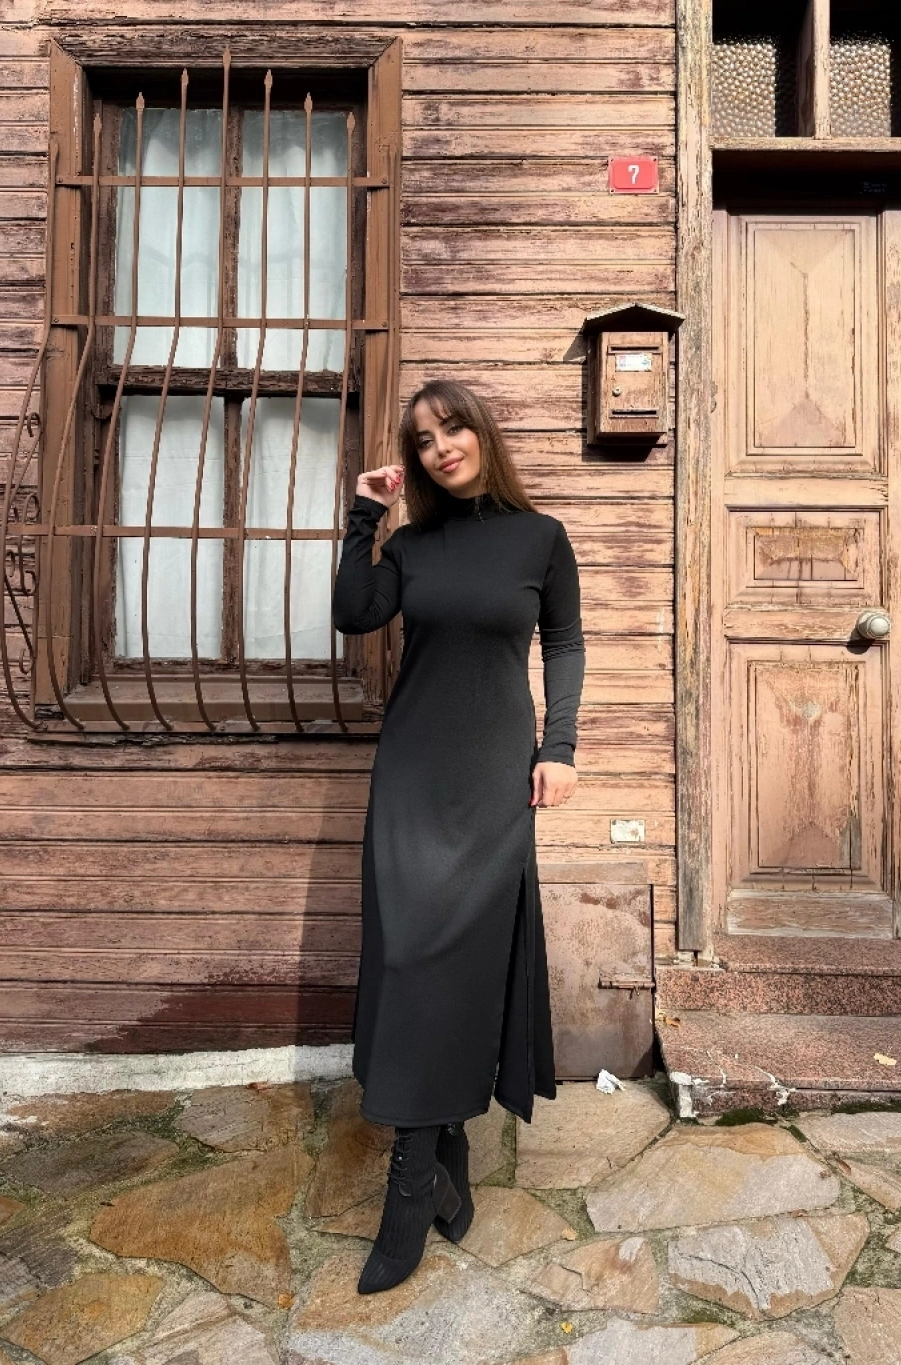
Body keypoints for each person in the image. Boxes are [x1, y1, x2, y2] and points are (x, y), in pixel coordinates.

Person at [332, 379, 585, 1294]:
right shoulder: (412, 546)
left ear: (482, 434)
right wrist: (364, 516)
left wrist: (559, 748)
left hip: (492, 781)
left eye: (453, 429)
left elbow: (564, 644)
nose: (441, 447)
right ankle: (436, 1158)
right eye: (425, 439)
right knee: (410, 959)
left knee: (463, 963)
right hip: (411, 774)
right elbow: (355, 612)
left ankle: (419, 1175)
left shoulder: (541, 538)